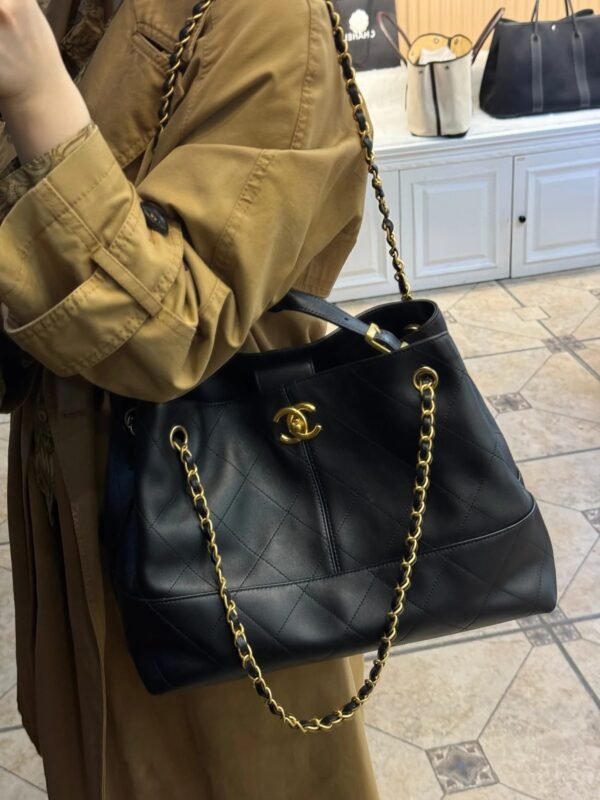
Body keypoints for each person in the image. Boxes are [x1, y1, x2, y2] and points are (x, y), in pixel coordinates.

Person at [0, 1, 380, 798]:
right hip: (68, 504)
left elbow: (174, 330)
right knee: (89, 754)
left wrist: (35, 92)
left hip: (222, 515)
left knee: (234, 772)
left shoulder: (270, 19)